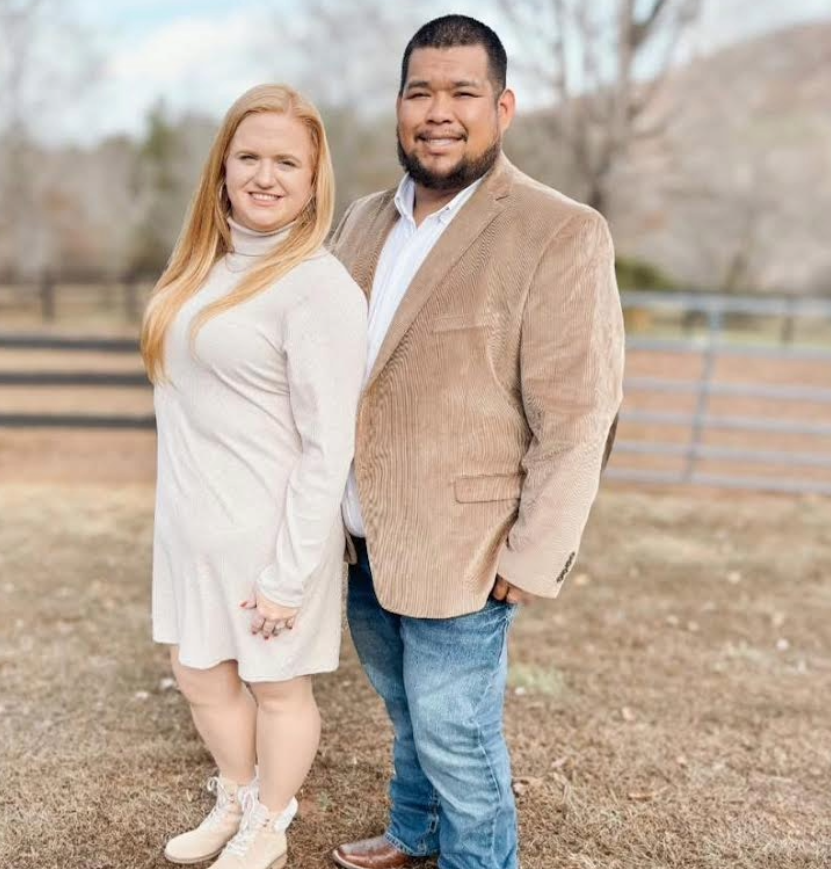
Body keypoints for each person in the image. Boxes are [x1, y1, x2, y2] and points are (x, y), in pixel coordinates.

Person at [329, 15, 624, 869]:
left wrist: (537, 553)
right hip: (357, 536)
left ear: (503, 106)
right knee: (404, 708)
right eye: (420, 90)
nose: (438, 110)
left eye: (462, 91)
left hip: (469, 544)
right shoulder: (357, 222)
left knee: (458, 735)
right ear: (398, 106)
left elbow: (579, 413)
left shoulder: (558, 230)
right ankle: (411, 829)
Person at [141, 84, 367, 869]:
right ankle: (235, 796)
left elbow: (326, 442)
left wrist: (289, 571)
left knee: (276, 687)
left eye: (286, 162)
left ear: (312, 181)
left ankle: (269, 822)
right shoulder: (198, 269)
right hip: (190, 528)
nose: (264, 175)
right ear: (222, 169)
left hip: (272, 533)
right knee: (197, 671)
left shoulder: (317, 287)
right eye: (249, 157)